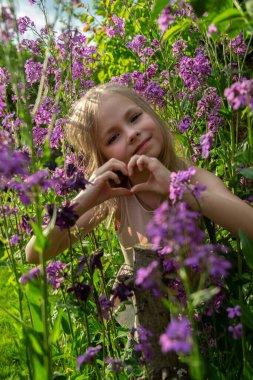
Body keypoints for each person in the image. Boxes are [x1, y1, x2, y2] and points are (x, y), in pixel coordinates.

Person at [26, 82, 253, 268]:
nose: (132, 133)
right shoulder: (115, 199)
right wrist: (84, 199)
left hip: (204, 317)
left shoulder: (191, 178)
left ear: (151, 114)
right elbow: (35, 253)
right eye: (113, 138)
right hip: (148, 320)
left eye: (134, 118)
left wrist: (177, 188)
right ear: (103, 158)